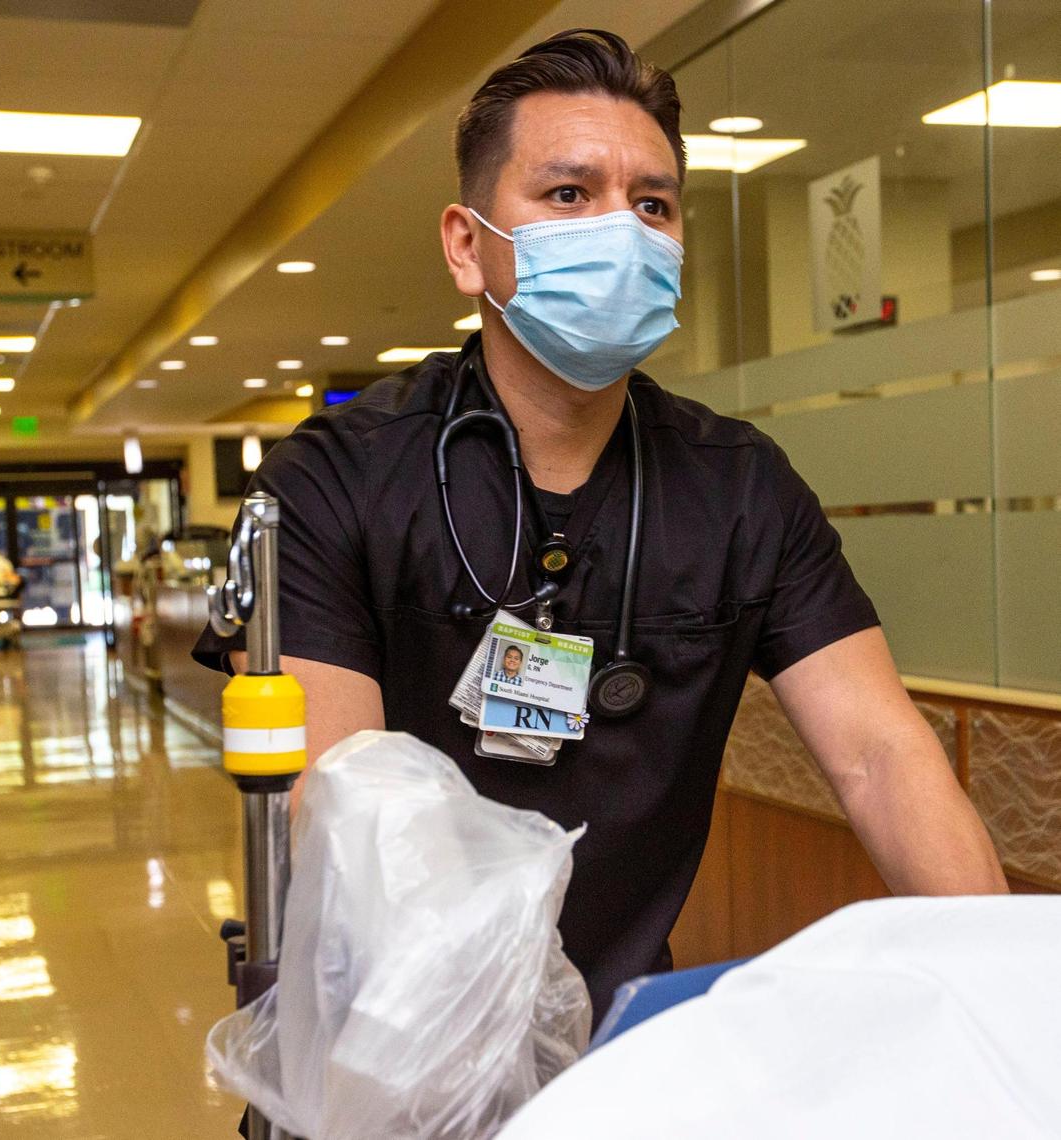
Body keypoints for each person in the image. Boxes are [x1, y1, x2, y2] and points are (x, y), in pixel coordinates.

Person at [194, 28, 1006, 1025]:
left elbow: (881, 756)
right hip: (379, 1044)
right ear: (466, 243)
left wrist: (1005, 987)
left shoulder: (740, 490)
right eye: (569, 195)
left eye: (652, 204)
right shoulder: (334, 478)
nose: (620, 230)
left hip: (618, 1051)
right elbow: (343, 809)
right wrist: (494, 1045)